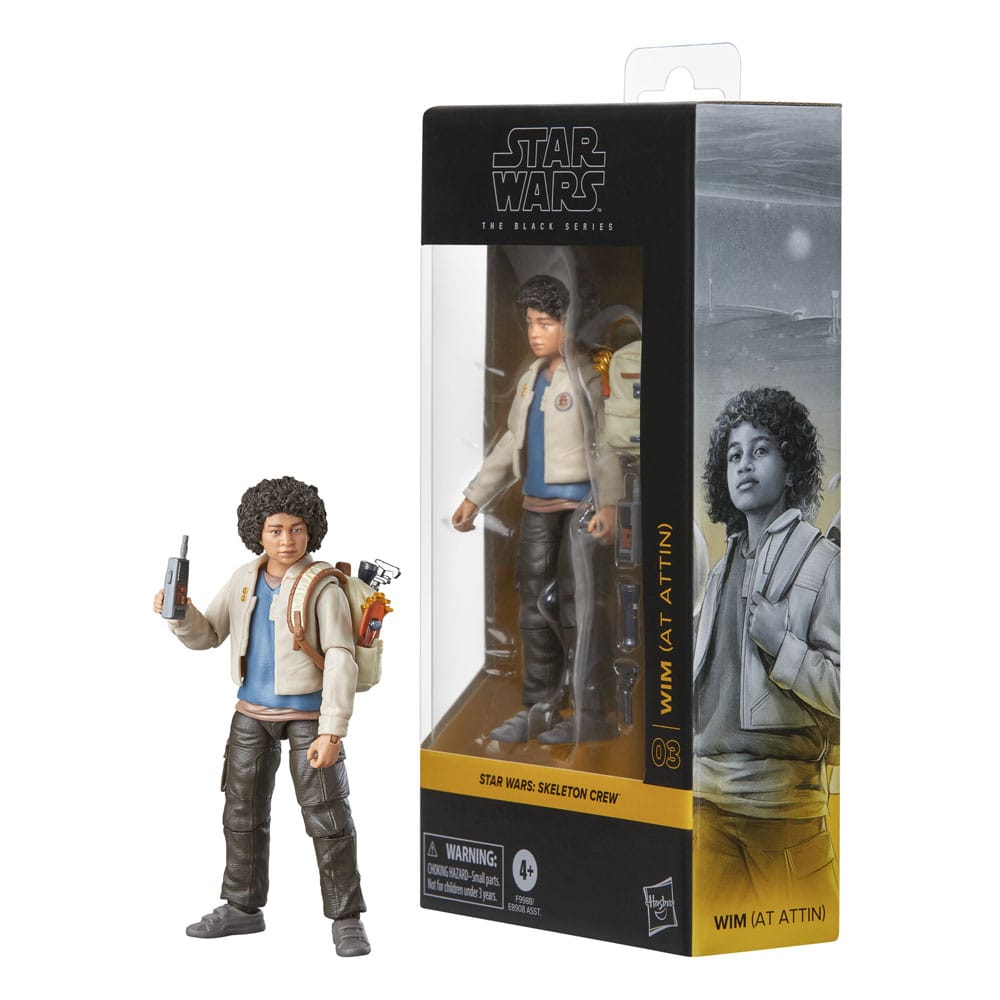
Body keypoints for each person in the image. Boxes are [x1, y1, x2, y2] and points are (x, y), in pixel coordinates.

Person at [153, 476, 370, 956]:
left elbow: (341, 656)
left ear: (311, 531)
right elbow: (210, 635)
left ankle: (346, 917)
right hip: (251, 712)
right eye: (275, 530)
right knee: (241, 813)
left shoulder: (322, 587)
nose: (286, 540)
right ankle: (242, 907)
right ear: (258, 532)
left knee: (329, 817)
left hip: (309, 716)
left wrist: (333, 730)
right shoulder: (244, 580)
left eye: (296, 529)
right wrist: (180, 614)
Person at [452, 274, 619, 745]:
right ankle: (540, 706)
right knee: (533, 610)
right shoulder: (530, 379)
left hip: (580, 508)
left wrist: (609, 504)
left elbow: (605, 443)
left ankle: (593, 711)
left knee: (578, 608)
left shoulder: (587, 377)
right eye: (530, 323)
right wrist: (474, 496)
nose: (535, 333)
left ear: (570, 322)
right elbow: (512, 442)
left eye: (546, 323)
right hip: (536, 509)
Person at [693, 388, 840, 907]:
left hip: (784, 815)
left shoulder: (823, 563)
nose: (744, 465)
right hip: (706, 805)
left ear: (791, 464)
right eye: (734, 454)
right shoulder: (719, 572)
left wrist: (784, 646)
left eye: (761, 450)